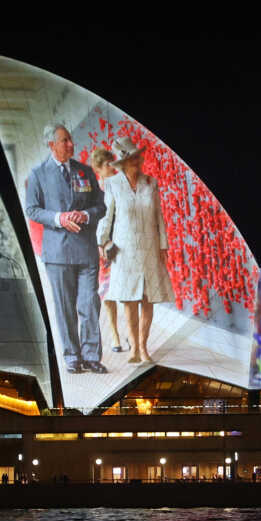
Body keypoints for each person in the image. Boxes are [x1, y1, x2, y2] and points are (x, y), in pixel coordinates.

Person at [25, 122, 108, 374]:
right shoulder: (38, 173)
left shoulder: (84, 171)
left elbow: (100, 206)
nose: (71, 144)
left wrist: (84, 214)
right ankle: (72, 356)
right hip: (58, 253)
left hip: (85, 250)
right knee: (64, 306)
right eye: (64, 141)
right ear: (52, 145)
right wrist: (59, 218)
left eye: (70, 139)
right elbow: (32, 209)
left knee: (89, 303)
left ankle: (92, 355)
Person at [96, 136, 175, 364]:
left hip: (150, 248)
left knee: (147, 299)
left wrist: (163, 245)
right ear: (123, 162)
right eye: (133, 158)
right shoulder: (112, 184)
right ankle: (133, 348)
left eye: (138, 157)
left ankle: (143, 346)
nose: (138, 161)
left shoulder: (151, 183)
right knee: (129, 300)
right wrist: (102, 242)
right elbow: (107, 216)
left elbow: (159, 217)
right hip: (125, 250)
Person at [89, 147, 125, 355]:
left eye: (112, 162)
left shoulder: (122, 184)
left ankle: (130, 332)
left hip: (123, 244)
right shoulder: (95, 193)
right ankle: (115, 335)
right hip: (103, 247)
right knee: (108, 294)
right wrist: (99, 244)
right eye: (106, 165)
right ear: (98, 169)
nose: (111, 167)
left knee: (131, 293)